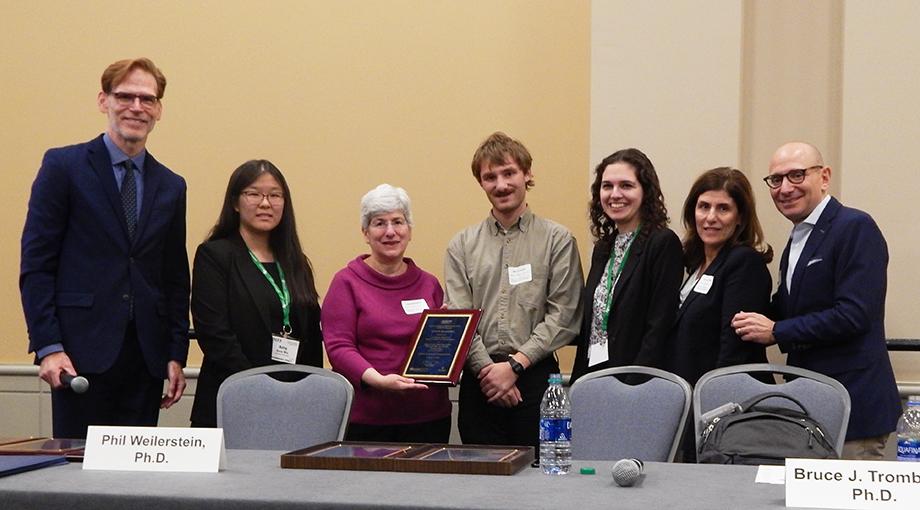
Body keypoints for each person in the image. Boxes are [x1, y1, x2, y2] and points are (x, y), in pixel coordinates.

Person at [20, 58, 189, 438]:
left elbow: (175, 277)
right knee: (77, 479)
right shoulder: (64, 166)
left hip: (146, 360)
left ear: (159, 109)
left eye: (147, 99)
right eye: (125, 96)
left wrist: (176, 352)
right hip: (78, 356)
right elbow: (37, 265)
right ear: (103, 101)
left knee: (135, 485)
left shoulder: (171, 185)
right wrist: (48, 345)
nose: (136, 107)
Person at [732, 141, 901, 460]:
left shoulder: (855, 227)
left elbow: (854, 314)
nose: (785, 188)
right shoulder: (796, 239)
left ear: (824, 176)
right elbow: (788, 306)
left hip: (853, 410)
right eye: (776, 180)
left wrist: (777, 331)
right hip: (810, 407)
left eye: (796, 175)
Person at [444, 132, 584, 453]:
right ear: (481, 183)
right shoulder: (461, 246)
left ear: (527, 174)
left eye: (509, 173)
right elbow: (458, 317)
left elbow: (564, 315)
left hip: (536, 379)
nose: (501, 184)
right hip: (480, 382)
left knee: (539, 482)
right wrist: (489, 373)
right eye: (490, 177)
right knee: (482, 485)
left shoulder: (557, 240)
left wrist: (515, 366)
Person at [189, 160, 323, 428]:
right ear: (236, 203)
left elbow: (309, 338)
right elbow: (215, 335)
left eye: (275, 195)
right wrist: (260, 389)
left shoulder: (296, 262)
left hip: (292, 403)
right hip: (233, 398)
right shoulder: (215, 256)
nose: (265, 203)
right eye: (254, 194)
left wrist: (309, 393)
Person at [322, 184, 450, 442]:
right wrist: (377, 380)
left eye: (398, 222)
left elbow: (439, 348)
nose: (390, 232)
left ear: (409, 230)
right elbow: (339, 347)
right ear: (365, 233)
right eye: (380, 223)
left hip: (429, 417)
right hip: (369, 419)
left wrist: (450, 335)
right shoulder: (346, 282)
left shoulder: (429, 284)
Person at [570, 148, 682, 382]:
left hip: (635, 382)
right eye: (607, 186)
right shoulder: (604, 248)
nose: (615, 194)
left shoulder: (662, 243)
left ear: (645, 192)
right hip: (594, 376)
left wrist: (632, 385)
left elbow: (658, 327)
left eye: (626, 186)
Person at [667, 167, 773, 387]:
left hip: (725, 401)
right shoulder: (695, 265)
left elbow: (733, 351)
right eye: (704, 206)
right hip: (689, 393)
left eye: (723, 208)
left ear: (740, 218)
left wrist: (711, 401)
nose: (711, 217)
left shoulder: (744, 263)